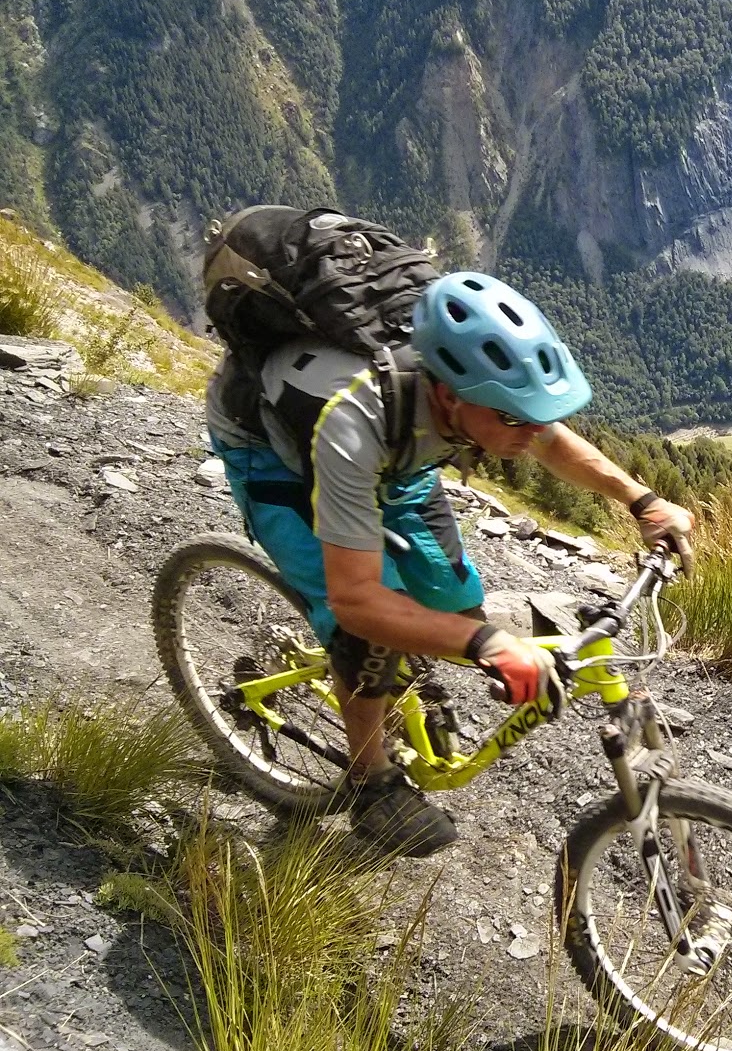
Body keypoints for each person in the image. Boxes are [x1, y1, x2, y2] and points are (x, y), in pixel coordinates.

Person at [205, 271, 695, 856]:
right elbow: (356, 599)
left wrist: (642, 502)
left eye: (532, 412)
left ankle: (393, 682)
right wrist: (488, 644)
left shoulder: (481, 401)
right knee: (369, 625)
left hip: (400, 457)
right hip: (278, 457)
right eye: (513, 418)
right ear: (448, 394)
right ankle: (369, 779)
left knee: (456, 604)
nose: (530, 432)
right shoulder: (353, 420)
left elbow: (547, 437)